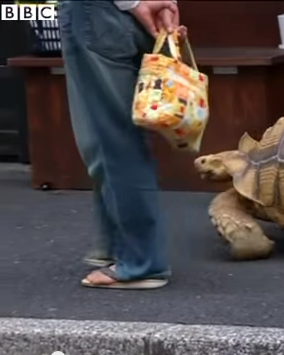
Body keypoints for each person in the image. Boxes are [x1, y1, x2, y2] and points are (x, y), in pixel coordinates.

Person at [57, 0, 183, 289]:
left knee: (112, 140)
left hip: (98, 9)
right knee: (110, 136)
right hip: (123, 11)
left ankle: (140, 262)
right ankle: (115, 246)